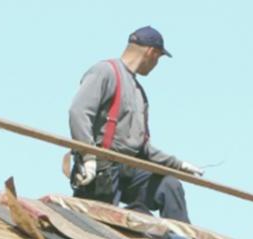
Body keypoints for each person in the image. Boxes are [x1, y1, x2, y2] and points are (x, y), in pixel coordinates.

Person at [68, 26, 202, 222]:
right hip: (102, 168)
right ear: (151, 52)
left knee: (169, 185)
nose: (156, 64)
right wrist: (88, 157)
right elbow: (78, 112)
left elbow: (141, 147)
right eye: (158, 58)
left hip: (129, 170)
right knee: (98, 226)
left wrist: (177, 164)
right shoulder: (106, 71)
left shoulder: (139, 93)